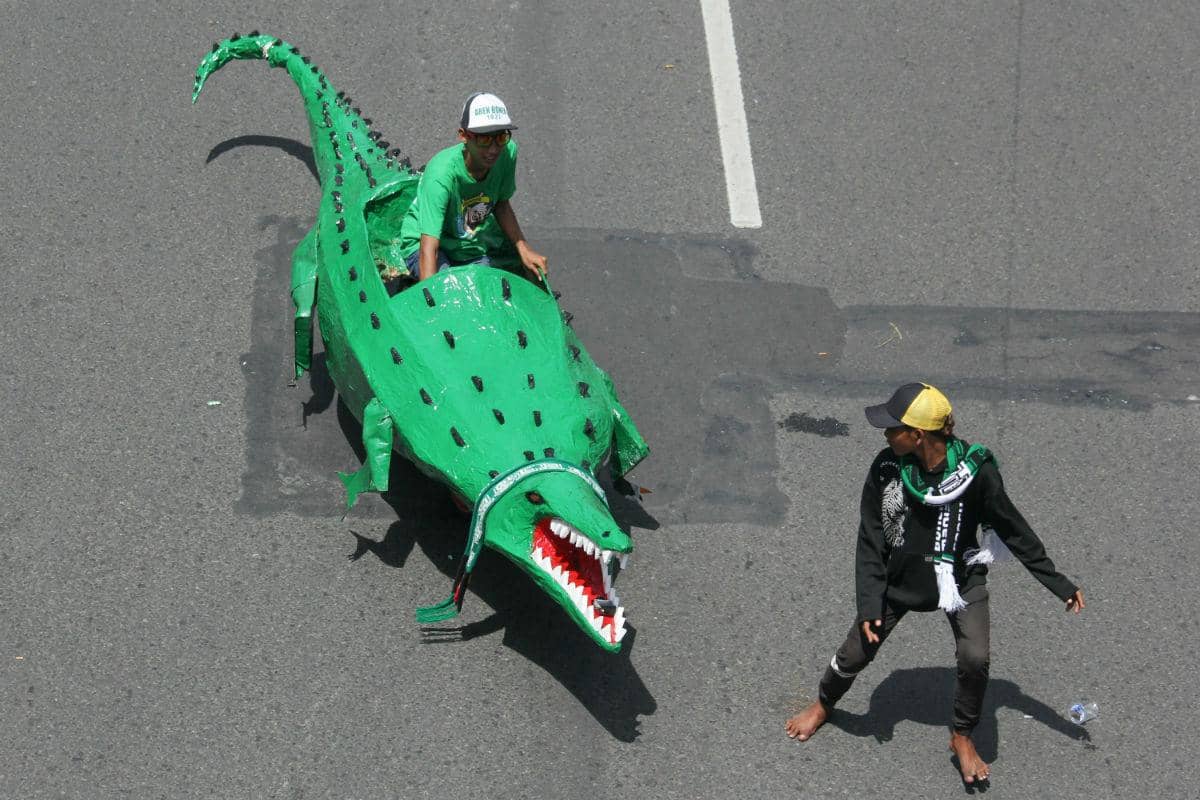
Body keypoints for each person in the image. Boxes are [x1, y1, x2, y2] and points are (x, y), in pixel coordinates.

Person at [785, 382, 1085, 786]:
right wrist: (870, 605)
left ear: (917, 435)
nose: (886, 434)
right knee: (856, 650)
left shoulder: (976, 473)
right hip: (901, 579)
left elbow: (1012, 527)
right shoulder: (887, 468)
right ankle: (823, 704)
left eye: (893, 428)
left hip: (959, 577)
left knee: (976, 658)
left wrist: (1058, 582)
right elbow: (871, 538)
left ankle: (961, 736)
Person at [396, 91, 547, 284]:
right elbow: (429, 247)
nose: (493, 149)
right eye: (484, 139)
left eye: (500, 137)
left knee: (485, 290)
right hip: (424, 244)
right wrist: (432, 299)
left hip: (468, 245)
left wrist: (523, 247)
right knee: (449, 289)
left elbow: (501, 204)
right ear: (464, 136)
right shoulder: (440, 175)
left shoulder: (507, 153)